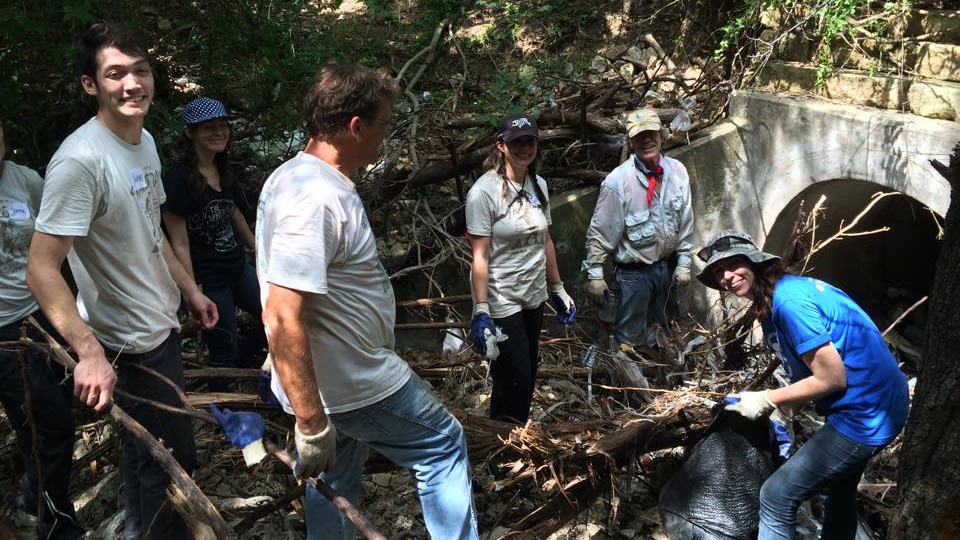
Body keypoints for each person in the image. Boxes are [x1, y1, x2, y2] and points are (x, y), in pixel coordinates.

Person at [256, 62, 478, 540]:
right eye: (384, 124)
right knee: (442, 444)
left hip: (335, 377)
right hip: (354, 380)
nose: (387, 134)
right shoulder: (313, 199)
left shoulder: (296, 178)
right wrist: (310, 423)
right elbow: (281, 313)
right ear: (356, 127)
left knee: (335, 474)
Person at [26, 21, 218, 540]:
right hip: (131, 345)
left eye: (141, 70)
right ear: (91, 84)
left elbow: (151, 231)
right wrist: (88, 352)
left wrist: (189, 289)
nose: (133, 84)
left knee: (147, 458)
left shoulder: (144, 140)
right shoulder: (79, 162)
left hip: (160, 326)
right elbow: (41, 267)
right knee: (167, 465)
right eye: (115, 74)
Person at [696, 229, 909, 540]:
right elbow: (808, 371)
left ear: (754, 262)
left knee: (776, 496)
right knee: (837, 491)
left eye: (732, 264)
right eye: (718, 271)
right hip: (875, 402)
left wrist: (768, 398)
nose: (726, 276)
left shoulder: (789, 302)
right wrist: (785, 409)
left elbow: (831, 377)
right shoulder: (775, 300)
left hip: (867, 412)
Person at [0, 121, 87, 540]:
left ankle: (39, 500)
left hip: (38, 316)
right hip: (4, 333)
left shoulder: (26, 180)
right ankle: (51, 518)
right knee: (43, 426)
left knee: (53, 417)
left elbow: (51, 243)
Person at [465, 112, 575, 424]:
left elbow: (546, 239)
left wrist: (558, 288)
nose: (525, 149)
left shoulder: (538, 185)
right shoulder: (483, 193)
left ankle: (517, 433)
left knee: (528, 371)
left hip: (533, 293)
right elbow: (480, 255)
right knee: (514, 374)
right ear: (501, 145)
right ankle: (501, 438)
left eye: (530, 142)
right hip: (501, 297)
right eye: (517, 142)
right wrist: (481, 309)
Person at [162, 97, 264, 390]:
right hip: (210, 281)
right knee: (222, 350)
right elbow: (178, 242)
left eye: (222, 126)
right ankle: (220, 403)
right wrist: (192, 292)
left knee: (276, 316)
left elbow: (233, 211)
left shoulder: (223, 166)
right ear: (190, 132)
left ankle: (239, 359)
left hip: (238, 269)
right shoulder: (177, 180)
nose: (219, 132)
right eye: (209, 127)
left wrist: (258, 250)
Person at [583, 107, 694, 350]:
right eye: (639, 136)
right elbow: (600, 232)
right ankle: (631, 371)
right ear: (631, 142)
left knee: (664, 330)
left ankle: (662, 369)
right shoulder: (617, 182)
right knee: (629, 339)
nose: (646, 141)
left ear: (662, 137)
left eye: (651, 134)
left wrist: (684, 262)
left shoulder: (678, 172)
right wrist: (595, 275)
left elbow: (686, 220)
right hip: (633, 277)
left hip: (667, 269)